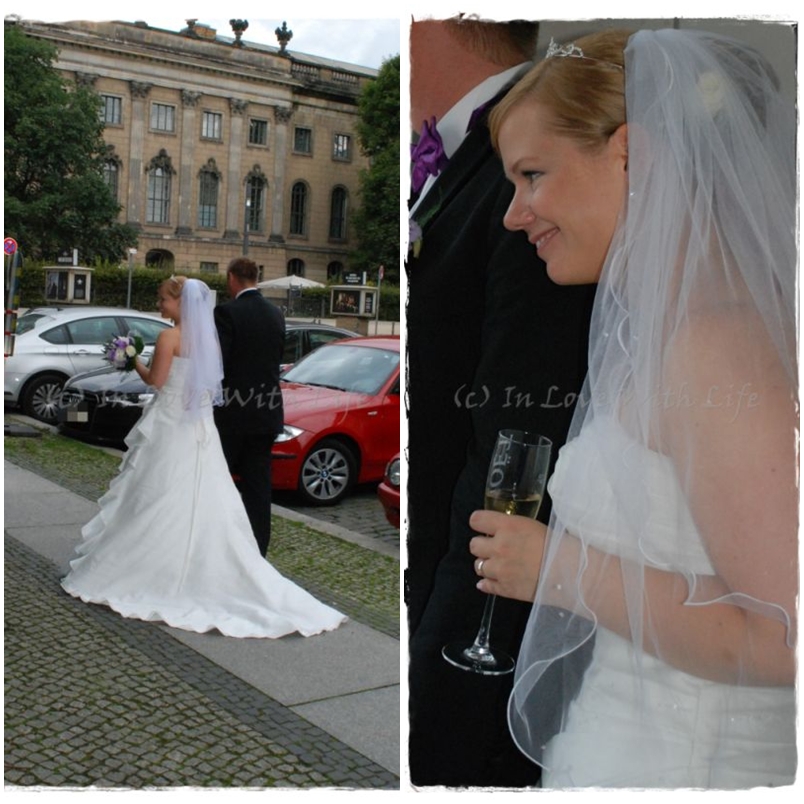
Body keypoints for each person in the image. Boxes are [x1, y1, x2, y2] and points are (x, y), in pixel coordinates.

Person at [468, 28, 797, 787]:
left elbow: (787, 640)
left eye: (532, 174)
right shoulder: (669, 328)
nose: (515, 214)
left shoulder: (718, 346)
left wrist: (562, 569)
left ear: (631, 156)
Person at [407, 17, 596, 787]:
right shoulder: (476, 159)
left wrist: (448, 663)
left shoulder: (544, 160)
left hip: (490, 610)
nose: (521, 208)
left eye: (531, 179)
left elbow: (517, 441)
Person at [62, 276, 346, 639]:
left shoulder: (169, 337)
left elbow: (156, 381)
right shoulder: (208, 339)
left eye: (163, 300)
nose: (159, 305)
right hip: (198, 426)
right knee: (201, 493)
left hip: (170, 424)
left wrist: (133, 361)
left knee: (157, 491)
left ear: (180, 303)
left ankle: (148, 565)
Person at [214, 257, 285, 556]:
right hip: (267, 412)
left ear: (232, 277)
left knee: (218, 480)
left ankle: (220, 544)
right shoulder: (276, 313)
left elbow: (220, 364)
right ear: (256, 277)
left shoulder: (227, 312)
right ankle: (258, 549)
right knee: (258, 488)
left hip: (233, 414)